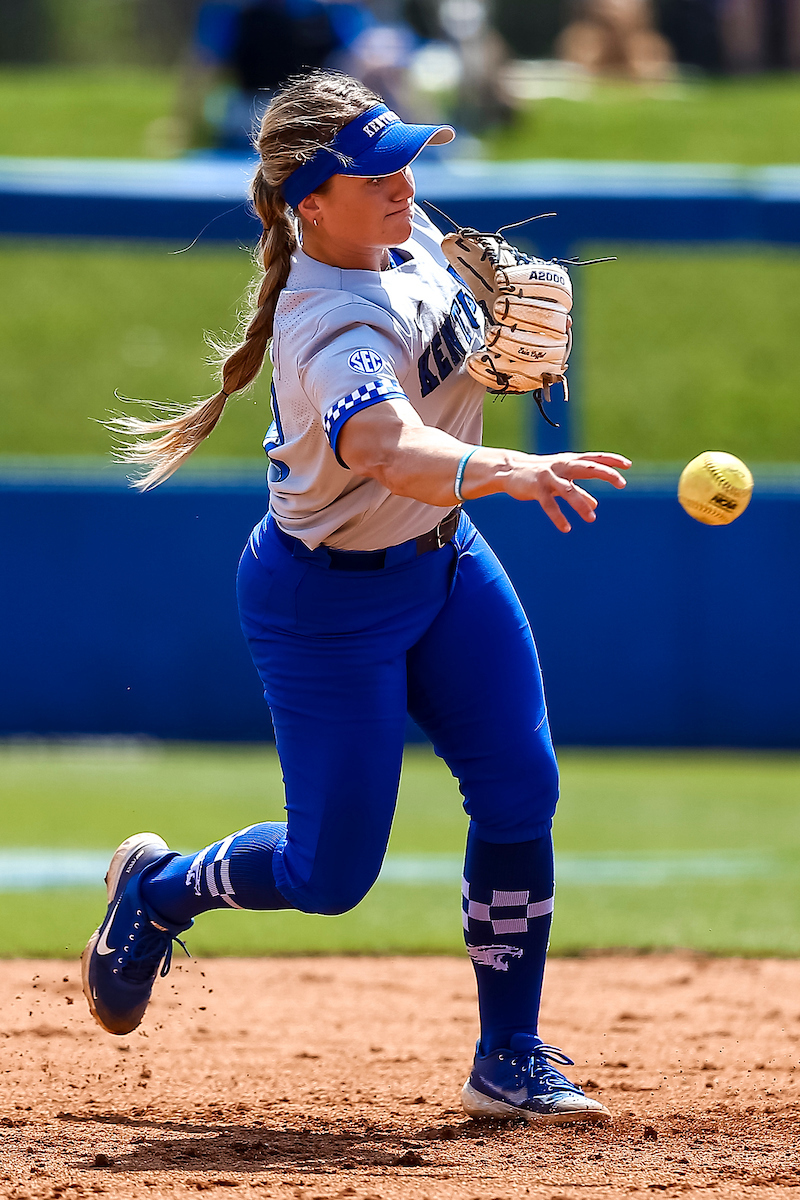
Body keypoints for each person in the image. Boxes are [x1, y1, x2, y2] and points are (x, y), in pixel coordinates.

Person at [82, 69, 630, 1126]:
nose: (402, 185)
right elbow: (381, 444)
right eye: (372, 171)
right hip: (324, 605)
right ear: (309, 201)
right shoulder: (326, 322)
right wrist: (508, 469)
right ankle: (154, 892)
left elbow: (443, 360)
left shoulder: (408, 242)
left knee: (521, 788)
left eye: (405, 159)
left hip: (444, 565)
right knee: (330, 873)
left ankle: (506, 1053)